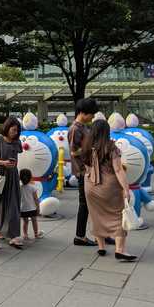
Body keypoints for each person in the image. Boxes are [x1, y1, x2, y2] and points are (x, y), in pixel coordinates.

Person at [83, 119, 136, 261]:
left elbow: (86, 168)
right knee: (118, 216)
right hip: (109, 187)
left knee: (95, 216)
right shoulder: (112, 148)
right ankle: (120, 250)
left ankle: (101, 247)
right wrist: (126, 188)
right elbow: (118, 170)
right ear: (106, 132)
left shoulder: (87, 147)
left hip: (90, 187)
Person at [68, 97, 100, 247]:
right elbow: (74, 152)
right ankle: (80, 236)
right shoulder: (75, 129)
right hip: (83, 171)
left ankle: (101, 233)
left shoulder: (84, 127)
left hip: (89, 170)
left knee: (93, 204)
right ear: (83, 113)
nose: (93, 117)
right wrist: (91, 150)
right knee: (85, 204)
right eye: (91, 114)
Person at [0, 117, 24, 249]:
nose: (15, 133)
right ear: (7, 127)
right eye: (13, 130)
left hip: (13, 175)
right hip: (0, 176)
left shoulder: (17, 142)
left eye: (17, 130)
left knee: (14, 204)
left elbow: (17, 155)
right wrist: (3, 162)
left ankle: (14, 234)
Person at [19, 169, 43, 241]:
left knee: (25, 222)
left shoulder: (19, 187)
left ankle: (25, 235)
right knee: (34, 221)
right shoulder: (33, 187)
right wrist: (38, 208)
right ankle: (36, 234)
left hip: (23, 208)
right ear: (30, 177)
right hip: (32, 208)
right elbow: (36, 199)